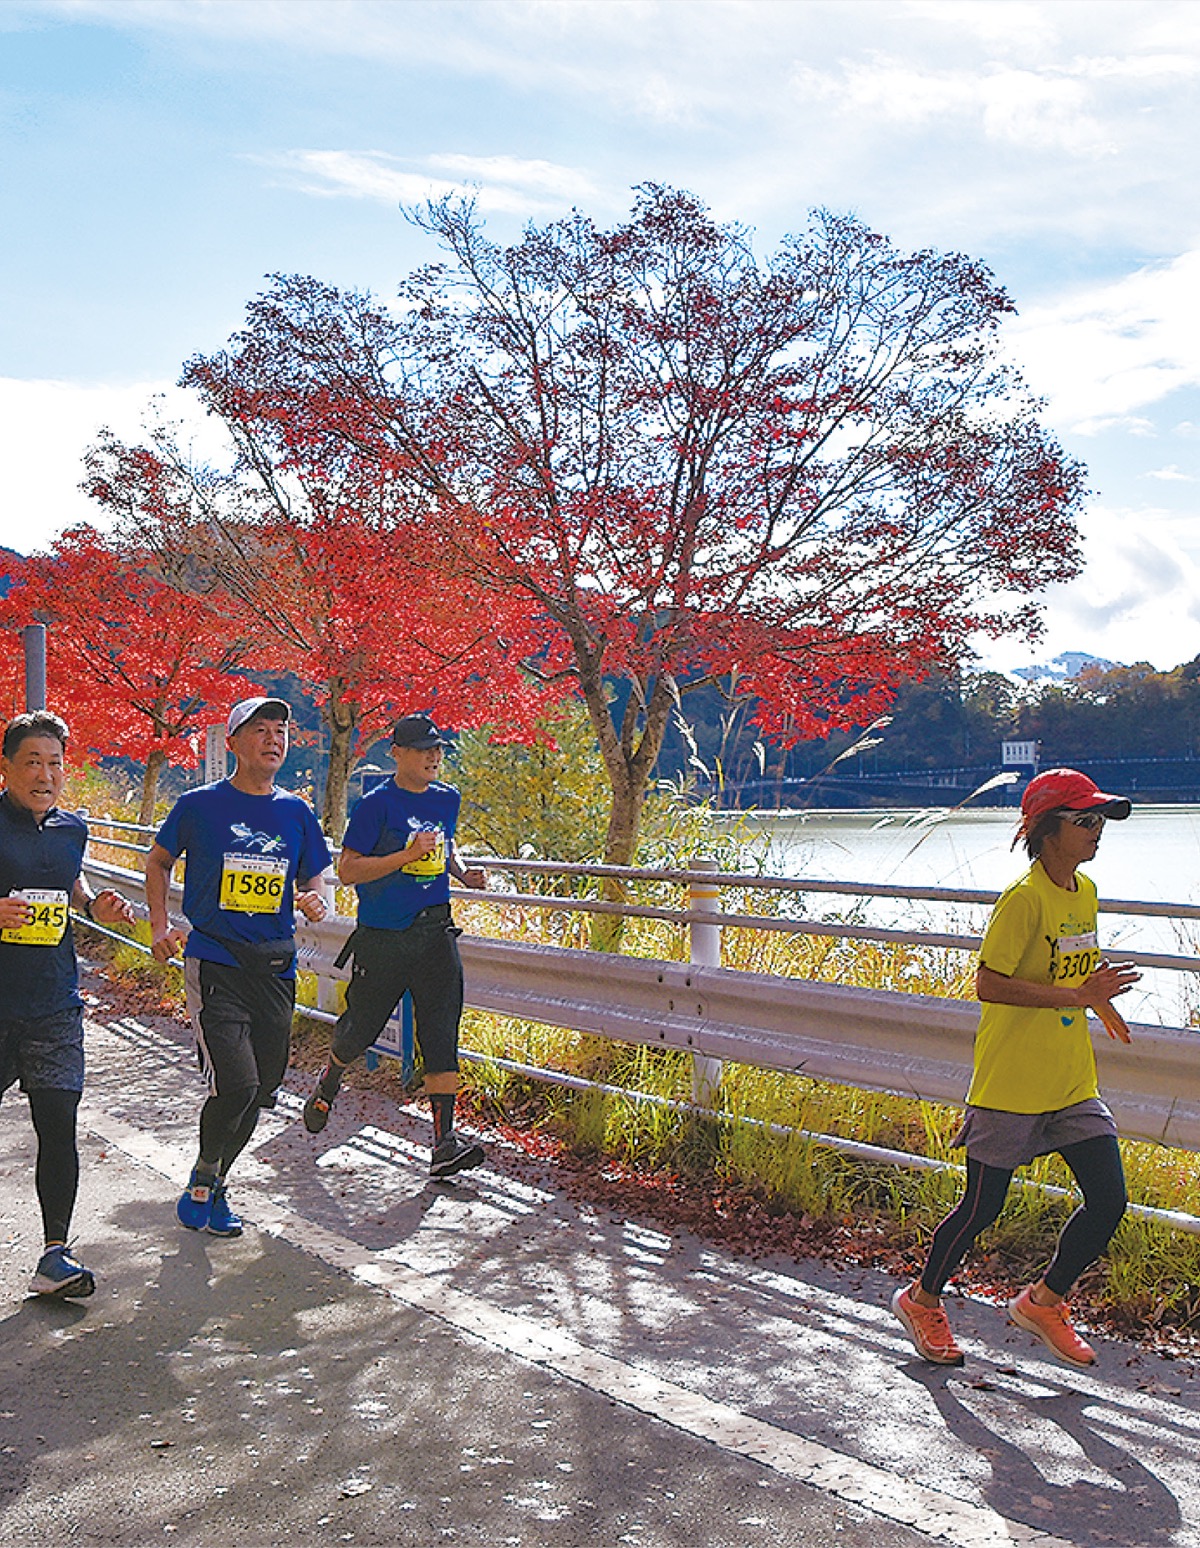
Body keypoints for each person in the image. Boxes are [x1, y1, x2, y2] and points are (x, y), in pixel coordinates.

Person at [891, 768, 1140, 1370]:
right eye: (1084, 820)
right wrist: (1078, 998)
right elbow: (989, 985)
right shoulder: (1022, 900)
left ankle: (1043, 1301)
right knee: (982, 1208)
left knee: (1109, 1199)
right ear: (1046, 830)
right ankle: (921, 1300)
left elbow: (1071, 969)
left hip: (1071, 1080)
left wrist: (1098, 996)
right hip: (1011, 1084)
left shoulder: (1084, 892)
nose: (1096, 830)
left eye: (1100, 820)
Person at [145, 697, 333, 1235]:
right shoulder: (200, 805)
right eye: (261, 730)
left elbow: (313, 878)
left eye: (281, 731)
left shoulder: (295, 811)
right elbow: (158, 862)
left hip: (274, 967)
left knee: (262, 1088)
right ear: (232, 742)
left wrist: (316, 899)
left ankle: (215, 1179)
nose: (274, 739)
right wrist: (160, 927)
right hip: (216, 961)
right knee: (238, 1083)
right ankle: (207, 1176)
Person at [302, 713, 487, 1178]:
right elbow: (347, 871)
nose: (433, 757)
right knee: (359, 1029)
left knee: (442, 1034)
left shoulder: (448, 798)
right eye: (423, 749)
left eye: (438, 748)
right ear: (397, 754)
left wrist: (462, 872)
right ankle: (331, 1079)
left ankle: (444, 1143)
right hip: (384, 937)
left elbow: (446, 847)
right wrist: (406, 855)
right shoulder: (375, 805)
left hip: (435, 932)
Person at [1, 710, 136, 1298]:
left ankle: (55, 1255)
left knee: (59, 1126)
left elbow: (71, 887)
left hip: (53, 1003)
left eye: (55, 763)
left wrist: (94, 906)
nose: (45, 774)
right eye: (32, 761)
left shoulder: (70, 830)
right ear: (5, 767)